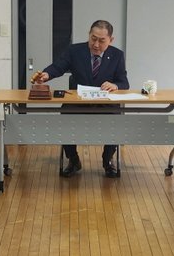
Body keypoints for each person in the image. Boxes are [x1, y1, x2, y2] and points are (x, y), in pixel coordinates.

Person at [31, 19, 129, 178]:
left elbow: (124, 82)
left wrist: (115, 85)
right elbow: (58, 66)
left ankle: (107, 160)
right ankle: (73, 160)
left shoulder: (117, 55)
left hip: (105, 104)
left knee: (116, 120)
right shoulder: (75, 51)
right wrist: (46, 74)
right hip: (78, 103)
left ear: (111, 40)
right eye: (93, 38)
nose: (96, 44)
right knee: (65, 118)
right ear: (89, 35)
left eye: (101, 41)